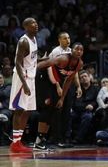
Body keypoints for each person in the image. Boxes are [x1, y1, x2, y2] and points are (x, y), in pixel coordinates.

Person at [34, 42, 84, 150]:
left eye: (81, 50)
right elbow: (42, 65)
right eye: (77, 49)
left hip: (53, 82)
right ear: (72, 50)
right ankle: (38, 140)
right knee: (47, 108)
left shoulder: (79, 64)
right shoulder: (64, 59)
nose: (79, 51)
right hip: (42, 77)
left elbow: (69, 80)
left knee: (54, 109)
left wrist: (62, 98)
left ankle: (41, 140)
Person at [9, 18, 38, 153]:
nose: (36, 25)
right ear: (25, 26)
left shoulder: (34, 39)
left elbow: (30, 59)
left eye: (36, 23)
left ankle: (19, 141)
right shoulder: (24, 41)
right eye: (32, 23)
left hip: (31, 77)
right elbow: (18, 63)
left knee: (28, 110)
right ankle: (15, 143)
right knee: (19, 109)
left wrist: (43, 59)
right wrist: (25, 84)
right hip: (23, 78)